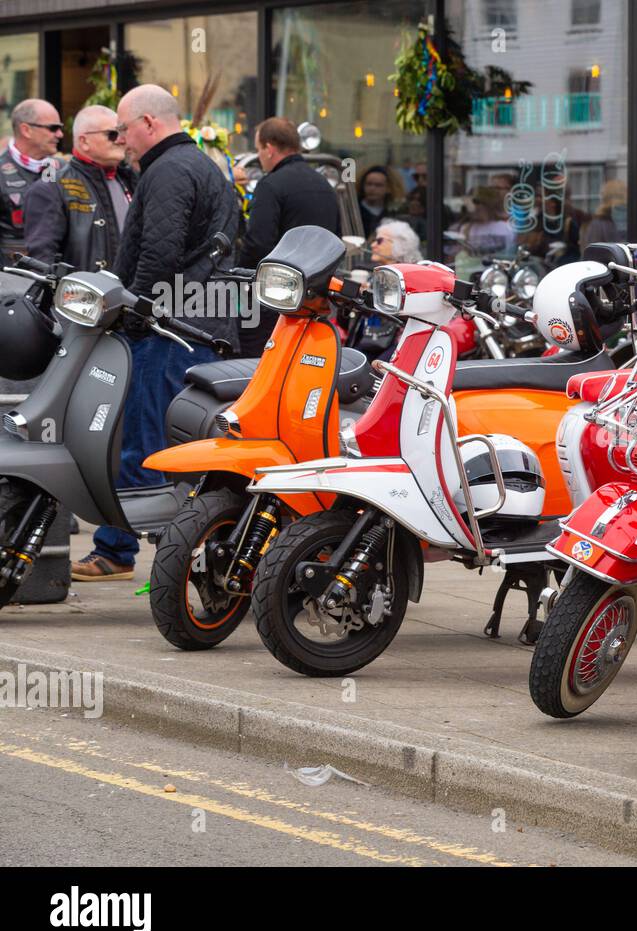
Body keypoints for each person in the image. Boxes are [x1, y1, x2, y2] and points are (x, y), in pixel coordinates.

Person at [71, 84, 240, 582]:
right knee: (191, 449)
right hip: (201, 325)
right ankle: (190, 554)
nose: (122, 140)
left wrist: (130, 309)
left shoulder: (167, 170)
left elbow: (158, 255)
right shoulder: (203, 166)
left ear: (148, 123)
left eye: (124, 129)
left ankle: (121, 551)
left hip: (168, 329)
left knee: (142, 441)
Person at [236, 116, 340, 353]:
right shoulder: (324, 184)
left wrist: (239, 279)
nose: (259, 155)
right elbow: (335, 238)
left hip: (276, 299)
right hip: (316, 299)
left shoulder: (271, 185)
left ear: (269, 149)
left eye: (258, 149)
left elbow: (258, 243)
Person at [23, 105, 136, 271]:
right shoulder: (51, 188)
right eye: (112, 134)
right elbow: (42, 263)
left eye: (122, 132)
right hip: (82, 295)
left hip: (129, 293)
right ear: (84, 141)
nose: (121, 139)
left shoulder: (132, 180)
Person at [0, 99, 63, 259]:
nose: (60, 135)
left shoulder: (64, 170)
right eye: (53, 128)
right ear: (26, 130)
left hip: (58, 277)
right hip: (11, 279)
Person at [357, 165, 404, 238]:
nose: (372, 188)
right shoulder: (354, 210)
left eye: (378, 185)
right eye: (369, 184)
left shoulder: (394, 213)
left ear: (388, 188)